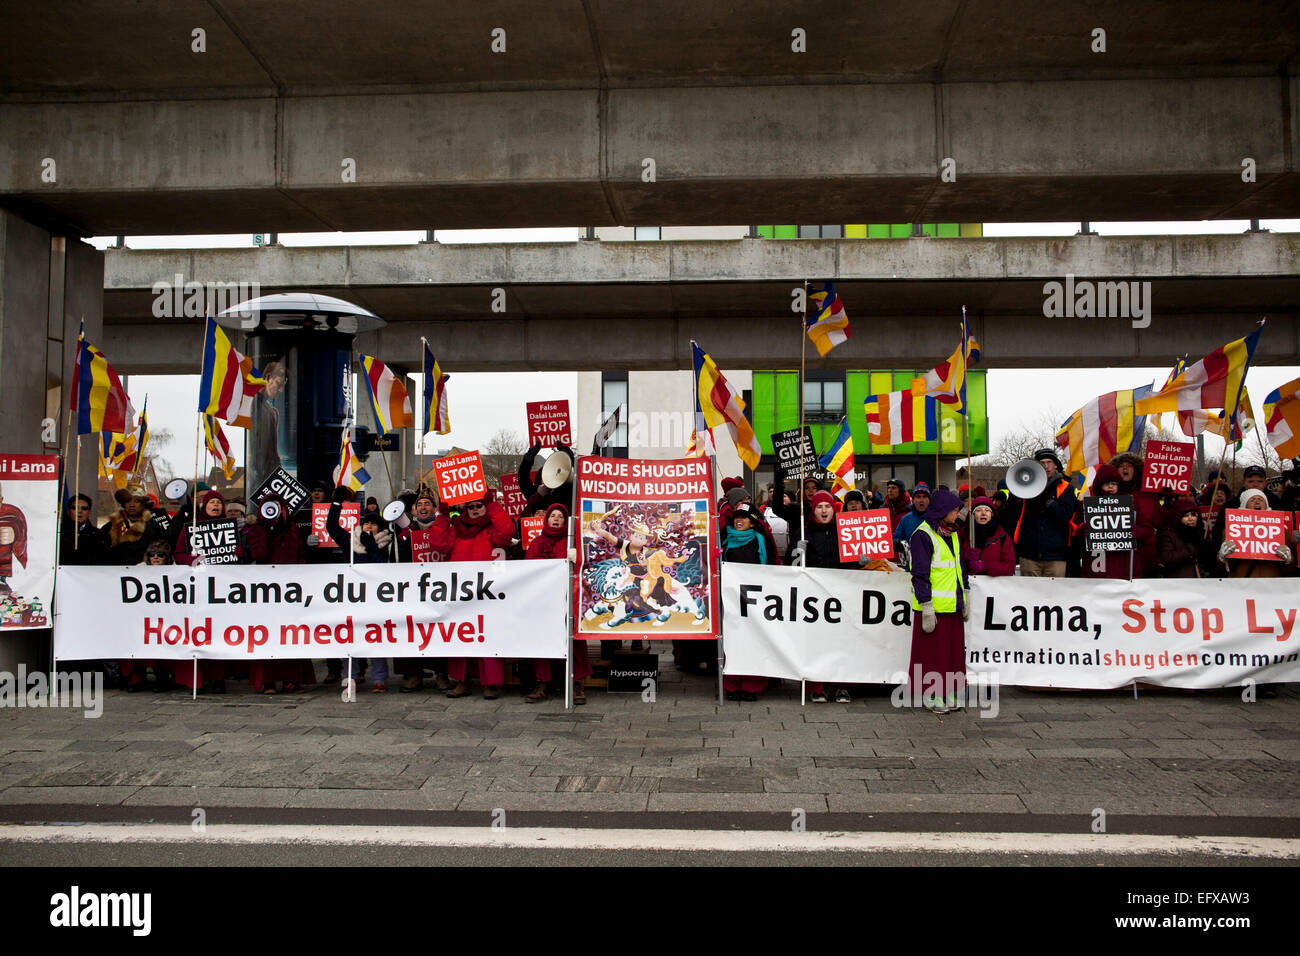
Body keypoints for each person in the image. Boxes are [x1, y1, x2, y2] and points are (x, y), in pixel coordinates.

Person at [429, 491, 515, 699]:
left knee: (489, 636)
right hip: (460, 591)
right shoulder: (456, 528)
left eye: (479, 505)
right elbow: (438, 543)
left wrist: (493, 506)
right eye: (471, 507)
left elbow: (506, 532)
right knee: (461, 635)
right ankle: (462, 681)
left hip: (488, 591)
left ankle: (491, 683)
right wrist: (442, 516)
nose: (475, 509)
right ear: (465, 509)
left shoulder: (492, 528)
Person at [246, 495, 316, 694]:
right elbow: (258, 555)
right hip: (267, 591)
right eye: (270, 505)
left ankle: (291, 679)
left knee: (291, 634)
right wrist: (268, 530)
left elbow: (300, 555)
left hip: (290, 590)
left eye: (278, 505)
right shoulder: (258, 529)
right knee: (268, 634)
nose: (274, 508)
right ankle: (268, 681)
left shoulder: (292, 528)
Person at [173, 490, 240, 693]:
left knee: (218, 633)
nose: (216, 506)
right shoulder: (191, 528)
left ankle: (218, 678)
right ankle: (197, 678)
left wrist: (234, 554)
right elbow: (178, 554)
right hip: (198, 588)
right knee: (197, 632)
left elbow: (239, 551)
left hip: (221, 589)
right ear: (204, 506)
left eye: (219, 503)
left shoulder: (230, 528)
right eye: (211, 502)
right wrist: (192, 560)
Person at [524, 503, 591, 704]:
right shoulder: (536, 543)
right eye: (552, 515)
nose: (556, 518)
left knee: (573, 640)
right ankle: (542, 683)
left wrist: (576, 558)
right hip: (544, 600)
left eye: (560, 516)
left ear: (565, 521)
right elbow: (529, 570)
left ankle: (577, 683)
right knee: (543, 639)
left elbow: (583, 567)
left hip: (567, 598)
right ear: (546, 519)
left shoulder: (573, 542)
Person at [908, 488, 968, 714]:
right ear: (943, 511)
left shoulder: (952, 533)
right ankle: (931, 693)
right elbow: (920, 574)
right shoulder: (922, 535)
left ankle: (950, 689)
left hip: (952, 605)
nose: (957, 514)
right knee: (932, 655)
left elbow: (959, 567)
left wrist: (965, 595)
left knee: (952, 654)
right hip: (932, 607)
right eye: (954, 510)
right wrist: (926, 605)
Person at [720, 502, 774, 702]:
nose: (739, 520)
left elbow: (770, 566)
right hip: (731, 600)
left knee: (754, 641)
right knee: (732, 642)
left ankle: (752, 685)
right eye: (736, 517)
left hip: (756, 599)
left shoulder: (761, 540)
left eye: (744, 517)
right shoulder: (724, 539)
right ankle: (732, 684)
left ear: (752, 523)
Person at [801, 490, 851, 704]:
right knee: (817, 642)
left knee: (842, 642)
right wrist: (798, 552)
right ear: (814, 510)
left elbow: (849, 562)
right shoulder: (806, 531)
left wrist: (860, 560)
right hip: (815, 596)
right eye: (820, 507)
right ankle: (817, 686)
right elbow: (792, 566)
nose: (824, 510)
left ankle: (841, 685)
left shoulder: (843, 531)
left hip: (840, 594)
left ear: (833, 509)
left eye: (827, 506)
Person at [1002, 448, 1077, 577]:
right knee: (1030, 595)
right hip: (1029, 555)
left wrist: (1049, 501)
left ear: (1055, 465)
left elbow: (1065, 517)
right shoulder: (1025, 488)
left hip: (1055, 556)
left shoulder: (1066, 489)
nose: (1046, 466)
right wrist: (1017, 493)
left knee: (1054, 595)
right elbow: (1010, 514)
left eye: (1049, 462)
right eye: (1042, 463)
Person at [1109, 452, 1166, 576]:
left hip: (1146, 557)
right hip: (1119, 558)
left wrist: (1168, 500)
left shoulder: (1148, 493)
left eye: (1129, 465)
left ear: (1136, 470)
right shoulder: (1109, 494)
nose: (1125, 468)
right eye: (1121, 466)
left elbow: (1159, 521)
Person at [1217, 489, 1292, 577]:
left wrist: (1289, 560)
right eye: (1252, 500)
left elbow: (1290, 570)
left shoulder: (1281, 531)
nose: (1257, 502)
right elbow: (1224, 568)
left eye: (1260, 500)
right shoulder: (1231, 531)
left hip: (1271, 586)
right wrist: (1222, 557)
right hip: (1243, 587)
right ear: (1245, 505)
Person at [1079, 464, 1134, 580]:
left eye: (1114, 484)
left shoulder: (1129, 504)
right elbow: (1073, 534)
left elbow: (1146, 529)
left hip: (1122, 564)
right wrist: (1083, 530)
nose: (1110, 487)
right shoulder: (1087, 505)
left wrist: (1137, 531)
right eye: (1106, 483)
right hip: (1095, 564)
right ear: (1100, 485)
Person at [1158, 500, 1217, 578]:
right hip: (1178, 581)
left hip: (1199, 580)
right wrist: (1192, 548)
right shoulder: (1168, 533)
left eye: (1193, 515)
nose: (1190, 518)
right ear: (1178, 517)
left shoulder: (1200, 532)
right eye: (1186, 516)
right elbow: (1167, 558)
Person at [961, 495, 1015, 577]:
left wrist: (985, 566)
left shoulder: (1002, 537)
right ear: (972, 514)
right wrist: (965, 559)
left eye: (987, 510)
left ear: (992, 514)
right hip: (969, 585)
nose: (983, 513)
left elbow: (1010, 568)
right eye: (978, 510)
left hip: (993, 587)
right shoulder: (963, 535)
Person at [105, 488, 161, 565]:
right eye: (128, 501)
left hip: (144, 571)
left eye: (136, 501)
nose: (131, 505)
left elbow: (160, 551)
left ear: (143, 504)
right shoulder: (112, 525)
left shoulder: (153, 526)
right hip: (117, 570)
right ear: (123, 504)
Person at [60, 493, 107, 566]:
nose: (79, 511)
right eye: (74, 508)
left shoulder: (99, 535)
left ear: (89, 513)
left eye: (84, 508)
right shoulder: (58, 533)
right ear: (68, 511)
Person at [893, 483, 930, 553]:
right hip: (912, 562)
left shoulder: (936, 519)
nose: (921, 500)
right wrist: (897, 543)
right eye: (918, 497)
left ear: (929, 500)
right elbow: (896, 538)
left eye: (924, 497)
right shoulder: (905, 519)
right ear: (913, 500)